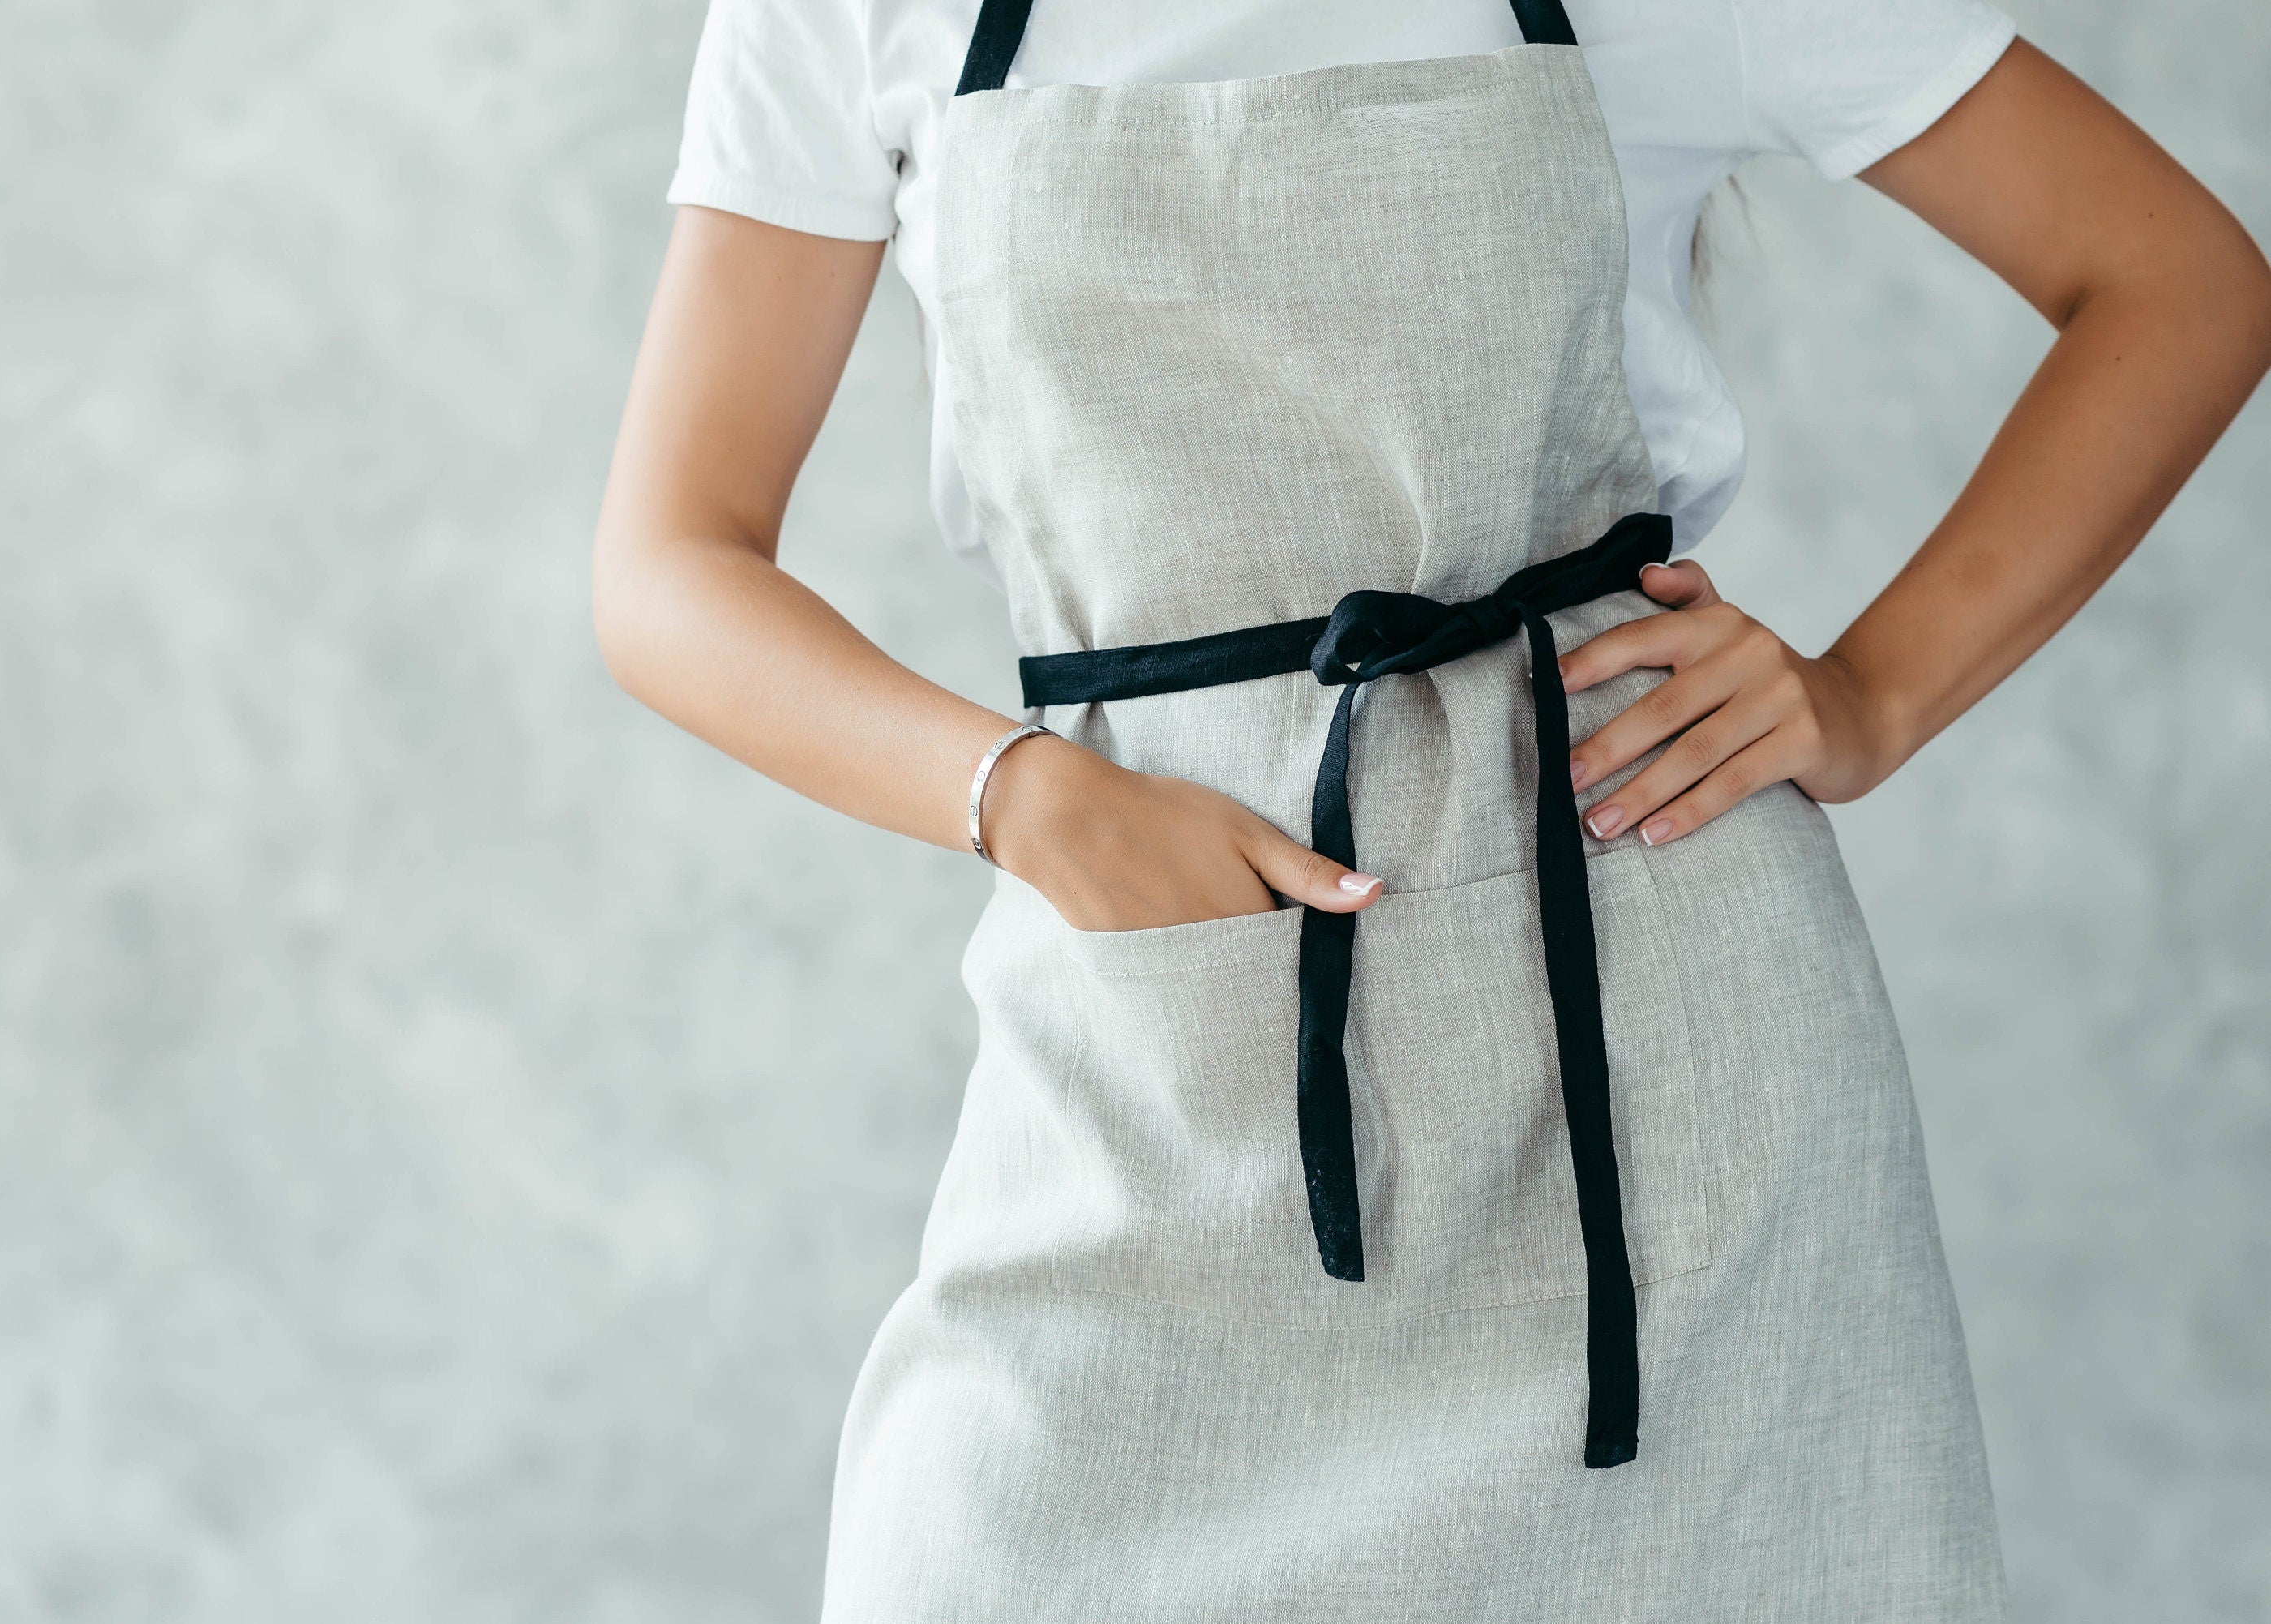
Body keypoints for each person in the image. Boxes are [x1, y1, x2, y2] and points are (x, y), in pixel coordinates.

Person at [593, 0, 2270, 1612]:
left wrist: (1871, 695)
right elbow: (670, 558)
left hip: (1652, 1070)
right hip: (1156, 1055)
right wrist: (1016, 795)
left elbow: (2179, 284)